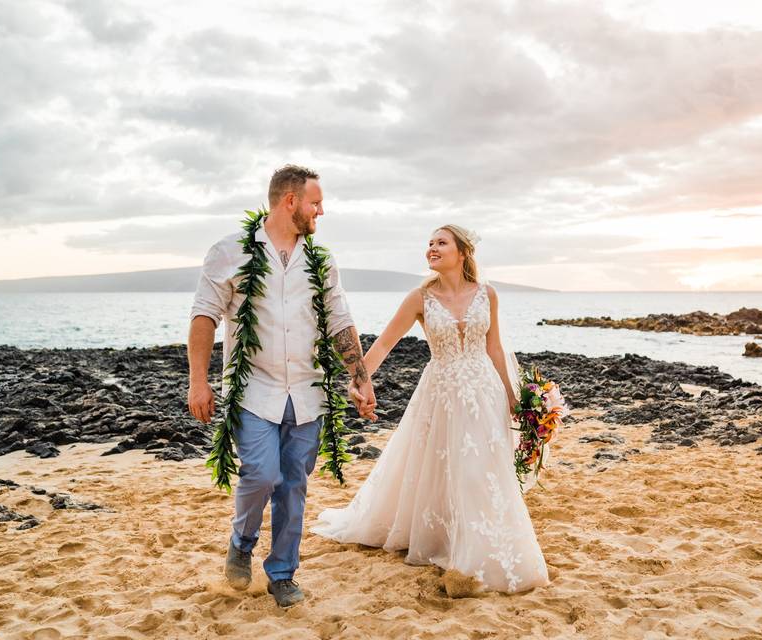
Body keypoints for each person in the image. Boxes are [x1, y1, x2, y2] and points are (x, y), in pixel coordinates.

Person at [312, 225, 549, 594]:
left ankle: (482, 542)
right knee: (447, 465)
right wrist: (359, 381)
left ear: (462, 252)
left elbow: (496, 349)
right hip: (442, 391)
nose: (432, 249)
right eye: (430, 244)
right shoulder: (419, 298)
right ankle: (452, 540)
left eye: (441, 243)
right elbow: (384, 345)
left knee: (482, 468)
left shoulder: (487, 294)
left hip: (484, 390)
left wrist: (513, 397)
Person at [186, 164, 377, 608]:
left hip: (308, 392)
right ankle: (242, 540)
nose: (321, 211)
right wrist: (198, 381)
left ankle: (282, 574)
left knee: (293, 484)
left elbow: (341, 321)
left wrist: (359, 377)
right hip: (253, 389)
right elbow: (204, 317)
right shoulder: (229, 251)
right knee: (261, 473)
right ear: (290, 201)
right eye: (316, 202)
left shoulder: (321, 260)